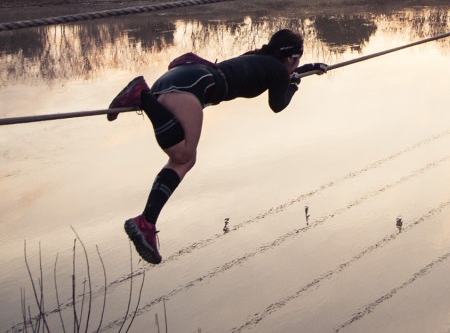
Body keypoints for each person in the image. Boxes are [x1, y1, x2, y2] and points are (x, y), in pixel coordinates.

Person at [108, 29, 327, 264]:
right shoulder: (276, 70)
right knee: (184, 155)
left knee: (184, 159)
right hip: (195, 87)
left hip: (181, 78)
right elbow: (278, 104)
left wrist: (305, 70)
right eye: (299, 61)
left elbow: (282, 76)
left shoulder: (260, 60)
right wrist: (293, 85)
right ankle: (142, 96)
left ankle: (146, 222)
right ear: (292, 58)